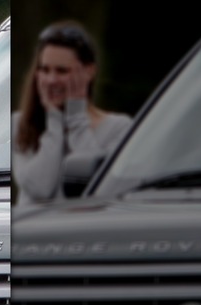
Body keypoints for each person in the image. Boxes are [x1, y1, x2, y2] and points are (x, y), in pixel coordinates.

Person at [12, 20, 132, 206]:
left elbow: (95, 185)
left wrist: (76, 116)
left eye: (62, 71)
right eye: (45, 69)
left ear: (89, 72)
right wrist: (54, 121)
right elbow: (40, 187)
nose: (51, 80)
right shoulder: (21, 124)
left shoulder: (118, 128)